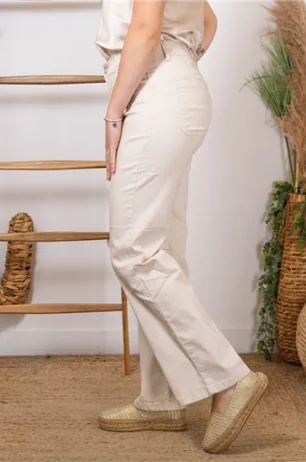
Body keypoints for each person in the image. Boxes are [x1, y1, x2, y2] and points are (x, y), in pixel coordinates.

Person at [96, 0, 268, 454]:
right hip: (171, 89)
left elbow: (146, 28)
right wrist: (180, 64)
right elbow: (207, 21)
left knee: (135, 253)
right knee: (161, 250)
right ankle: (161, 399)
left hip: (155, 91)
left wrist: (114, 113)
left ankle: (228, 378)